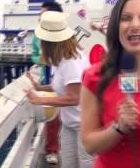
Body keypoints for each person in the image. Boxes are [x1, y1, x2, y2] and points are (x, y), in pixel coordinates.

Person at [80, 0, 140, 168]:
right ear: (115, 26)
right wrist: (118, 128)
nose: (135, 25)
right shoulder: (95, 77)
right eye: (126, 18)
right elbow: (89, 144)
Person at [24, 11, 94, 168]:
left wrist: (40, 100)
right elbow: (63, 86)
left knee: (85, 163)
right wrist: (39, 87)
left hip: (86, 124)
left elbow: (75, 97)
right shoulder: (61, 59)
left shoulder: (71, 61)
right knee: (69, 163)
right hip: (71, 123)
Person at [27, 1, 63, 165]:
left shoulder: (64, 34)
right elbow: (33, 55)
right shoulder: (37, 35)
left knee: (65, 115)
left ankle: (56, 148)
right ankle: (52, 149)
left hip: (64, 78)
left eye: (43, 14)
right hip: (47, 78)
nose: (40, 17)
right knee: (51, 116)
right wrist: (42, 60)